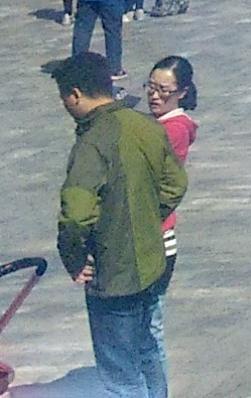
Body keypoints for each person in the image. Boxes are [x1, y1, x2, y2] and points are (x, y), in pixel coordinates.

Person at [47, 52, 185, 398]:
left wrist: (74, 257)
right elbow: (175, 184)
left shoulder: (91, 144)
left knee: (120, 373)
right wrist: (145, 215)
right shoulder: (146, 126)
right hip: (155, 261)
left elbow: (76, 213)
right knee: (147, 348)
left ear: (75, 94)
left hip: (114, 274)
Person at [141, 56, 197, 270]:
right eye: (151, 87)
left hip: (156, 234)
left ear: (181, 93)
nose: (154, 95)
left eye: (163, 90)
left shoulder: (174, 129)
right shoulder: (153, 122)